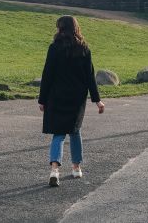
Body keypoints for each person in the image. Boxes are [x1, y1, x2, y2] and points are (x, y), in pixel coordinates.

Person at [38, 15, 104, 187]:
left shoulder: (54, 48)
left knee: (58, 134)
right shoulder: (84, 49)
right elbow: (90, 77)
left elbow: (48, 75)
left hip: (56, 96)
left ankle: (54, 170)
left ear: (61, 29)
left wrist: (42, 99)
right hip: (76, 98)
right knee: (75, 132)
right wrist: (97, 101)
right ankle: (76, 168)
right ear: (76, 28)